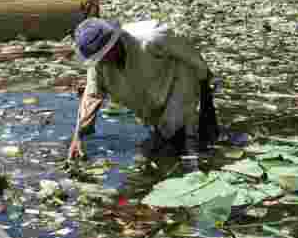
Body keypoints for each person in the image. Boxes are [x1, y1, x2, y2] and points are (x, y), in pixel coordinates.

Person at [68, 18, 219, 161]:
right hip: (151, 98)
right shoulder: (99, 64)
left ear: (115, 41)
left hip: (178, 86)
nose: (105, 59)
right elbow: (92, 95)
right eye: (100, 58)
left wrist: (206, 100)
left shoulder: (152, 37)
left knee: (184, 143)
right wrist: (78, 136)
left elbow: (192, 58)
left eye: (107, 53)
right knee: (162, 142)